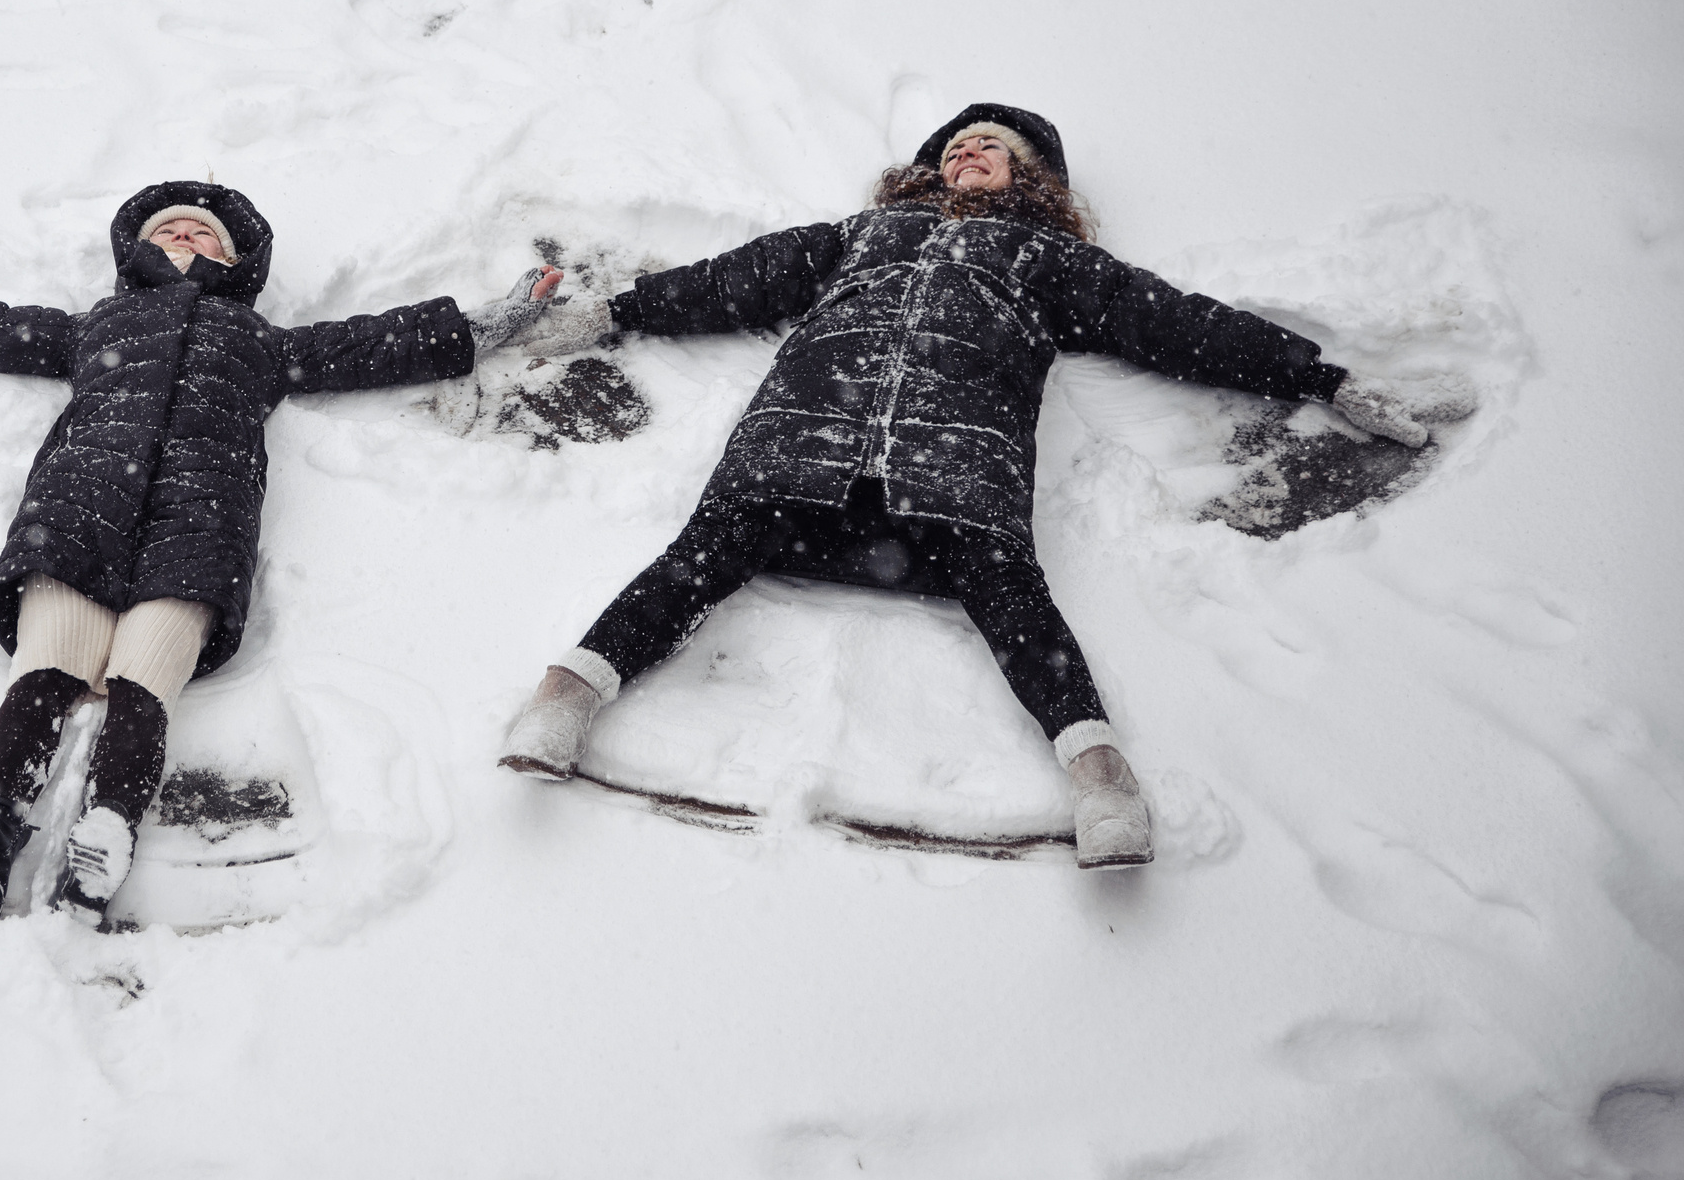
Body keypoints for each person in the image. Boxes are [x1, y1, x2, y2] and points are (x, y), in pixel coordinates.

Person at [495, 104, 1463, 868]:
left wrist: (1326, 378)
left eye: (991, 146)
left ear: (1030, 177)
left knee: (1013, 600)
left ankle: (1099, 779)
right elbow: (728, 281)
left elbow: (1184, 325)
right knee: (699, 558)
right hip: (805, 431)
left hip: (959, 456)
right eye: (956, 144)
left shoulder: (1052, 260)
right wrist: (608, 315)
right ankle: (562, 696)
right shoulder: (864, 233)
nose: (968, 153)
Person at [0, 181, 559, 923]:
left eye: (203, 232)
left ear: (234, 261)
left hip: (202, 519)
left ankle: (107, 834)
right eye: (169, 228)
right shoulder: (99, 324)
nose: (185, 234)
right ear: (138, 251)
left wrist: (493, 320)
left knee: (143, 678)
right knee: (48, 665)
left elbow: (373, 345)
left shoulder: (260, 340)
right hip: (79, 504)